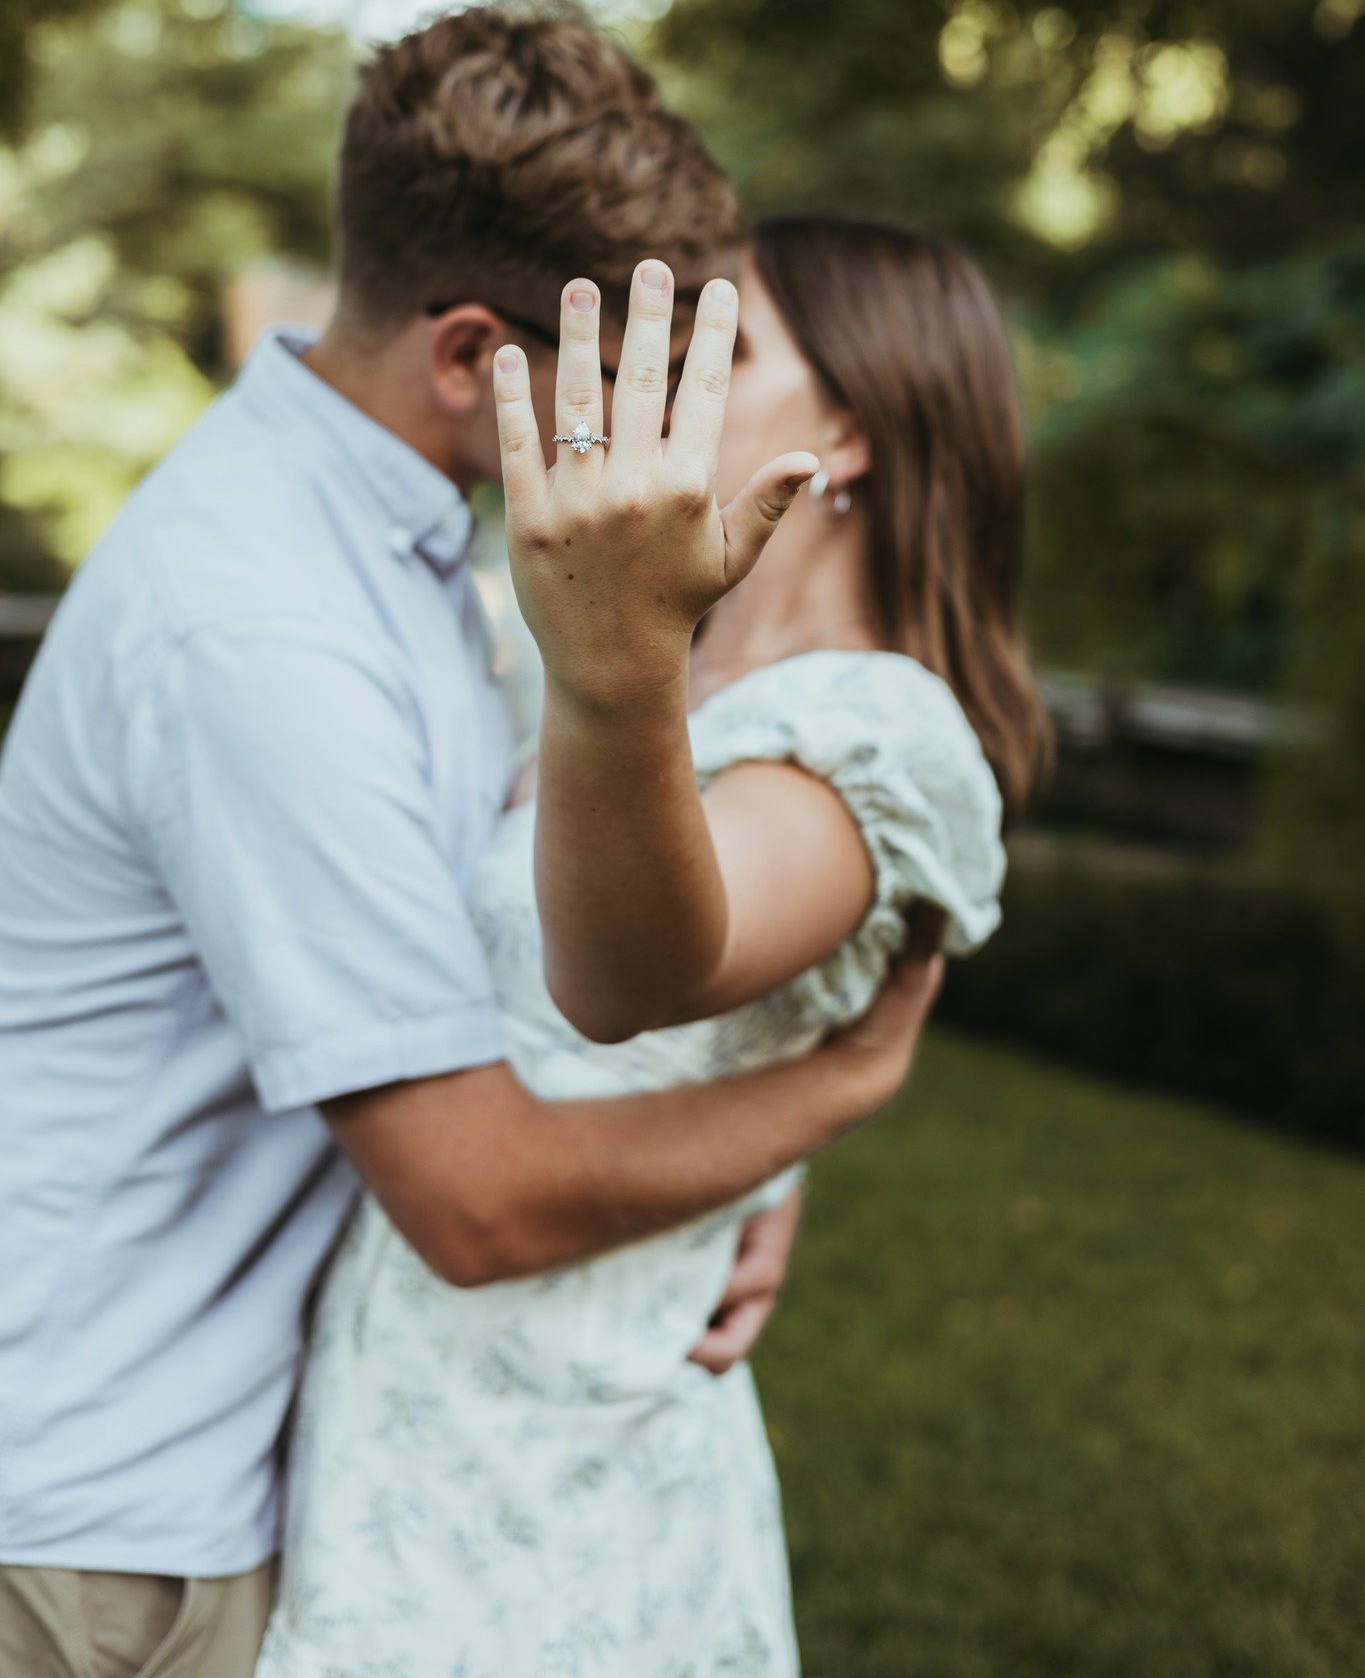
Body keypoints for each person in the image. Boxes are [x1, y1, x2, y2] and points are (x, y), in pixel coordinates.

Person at [0, 8, 936, 1678]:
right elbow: (479, 1198)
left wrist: (735, 1177)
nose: (657, 423)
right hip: (100, 1537)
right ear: (471, 363)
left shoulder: (414, 559)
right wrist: (826, 1094)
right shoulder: (261, 619)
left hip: (214, 1484)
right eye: (637, 367)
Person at [256, 217, 1048, 1676]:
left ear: (853, 430)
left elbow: (629, 981)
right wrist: (790, 1123)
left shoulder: (883, 731)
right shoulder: (663, 684)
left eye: (719, 350)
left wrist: (612, 677)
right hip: (406, 1433)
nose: (649, 378)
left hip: (561, 1491)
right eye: (653, 339)